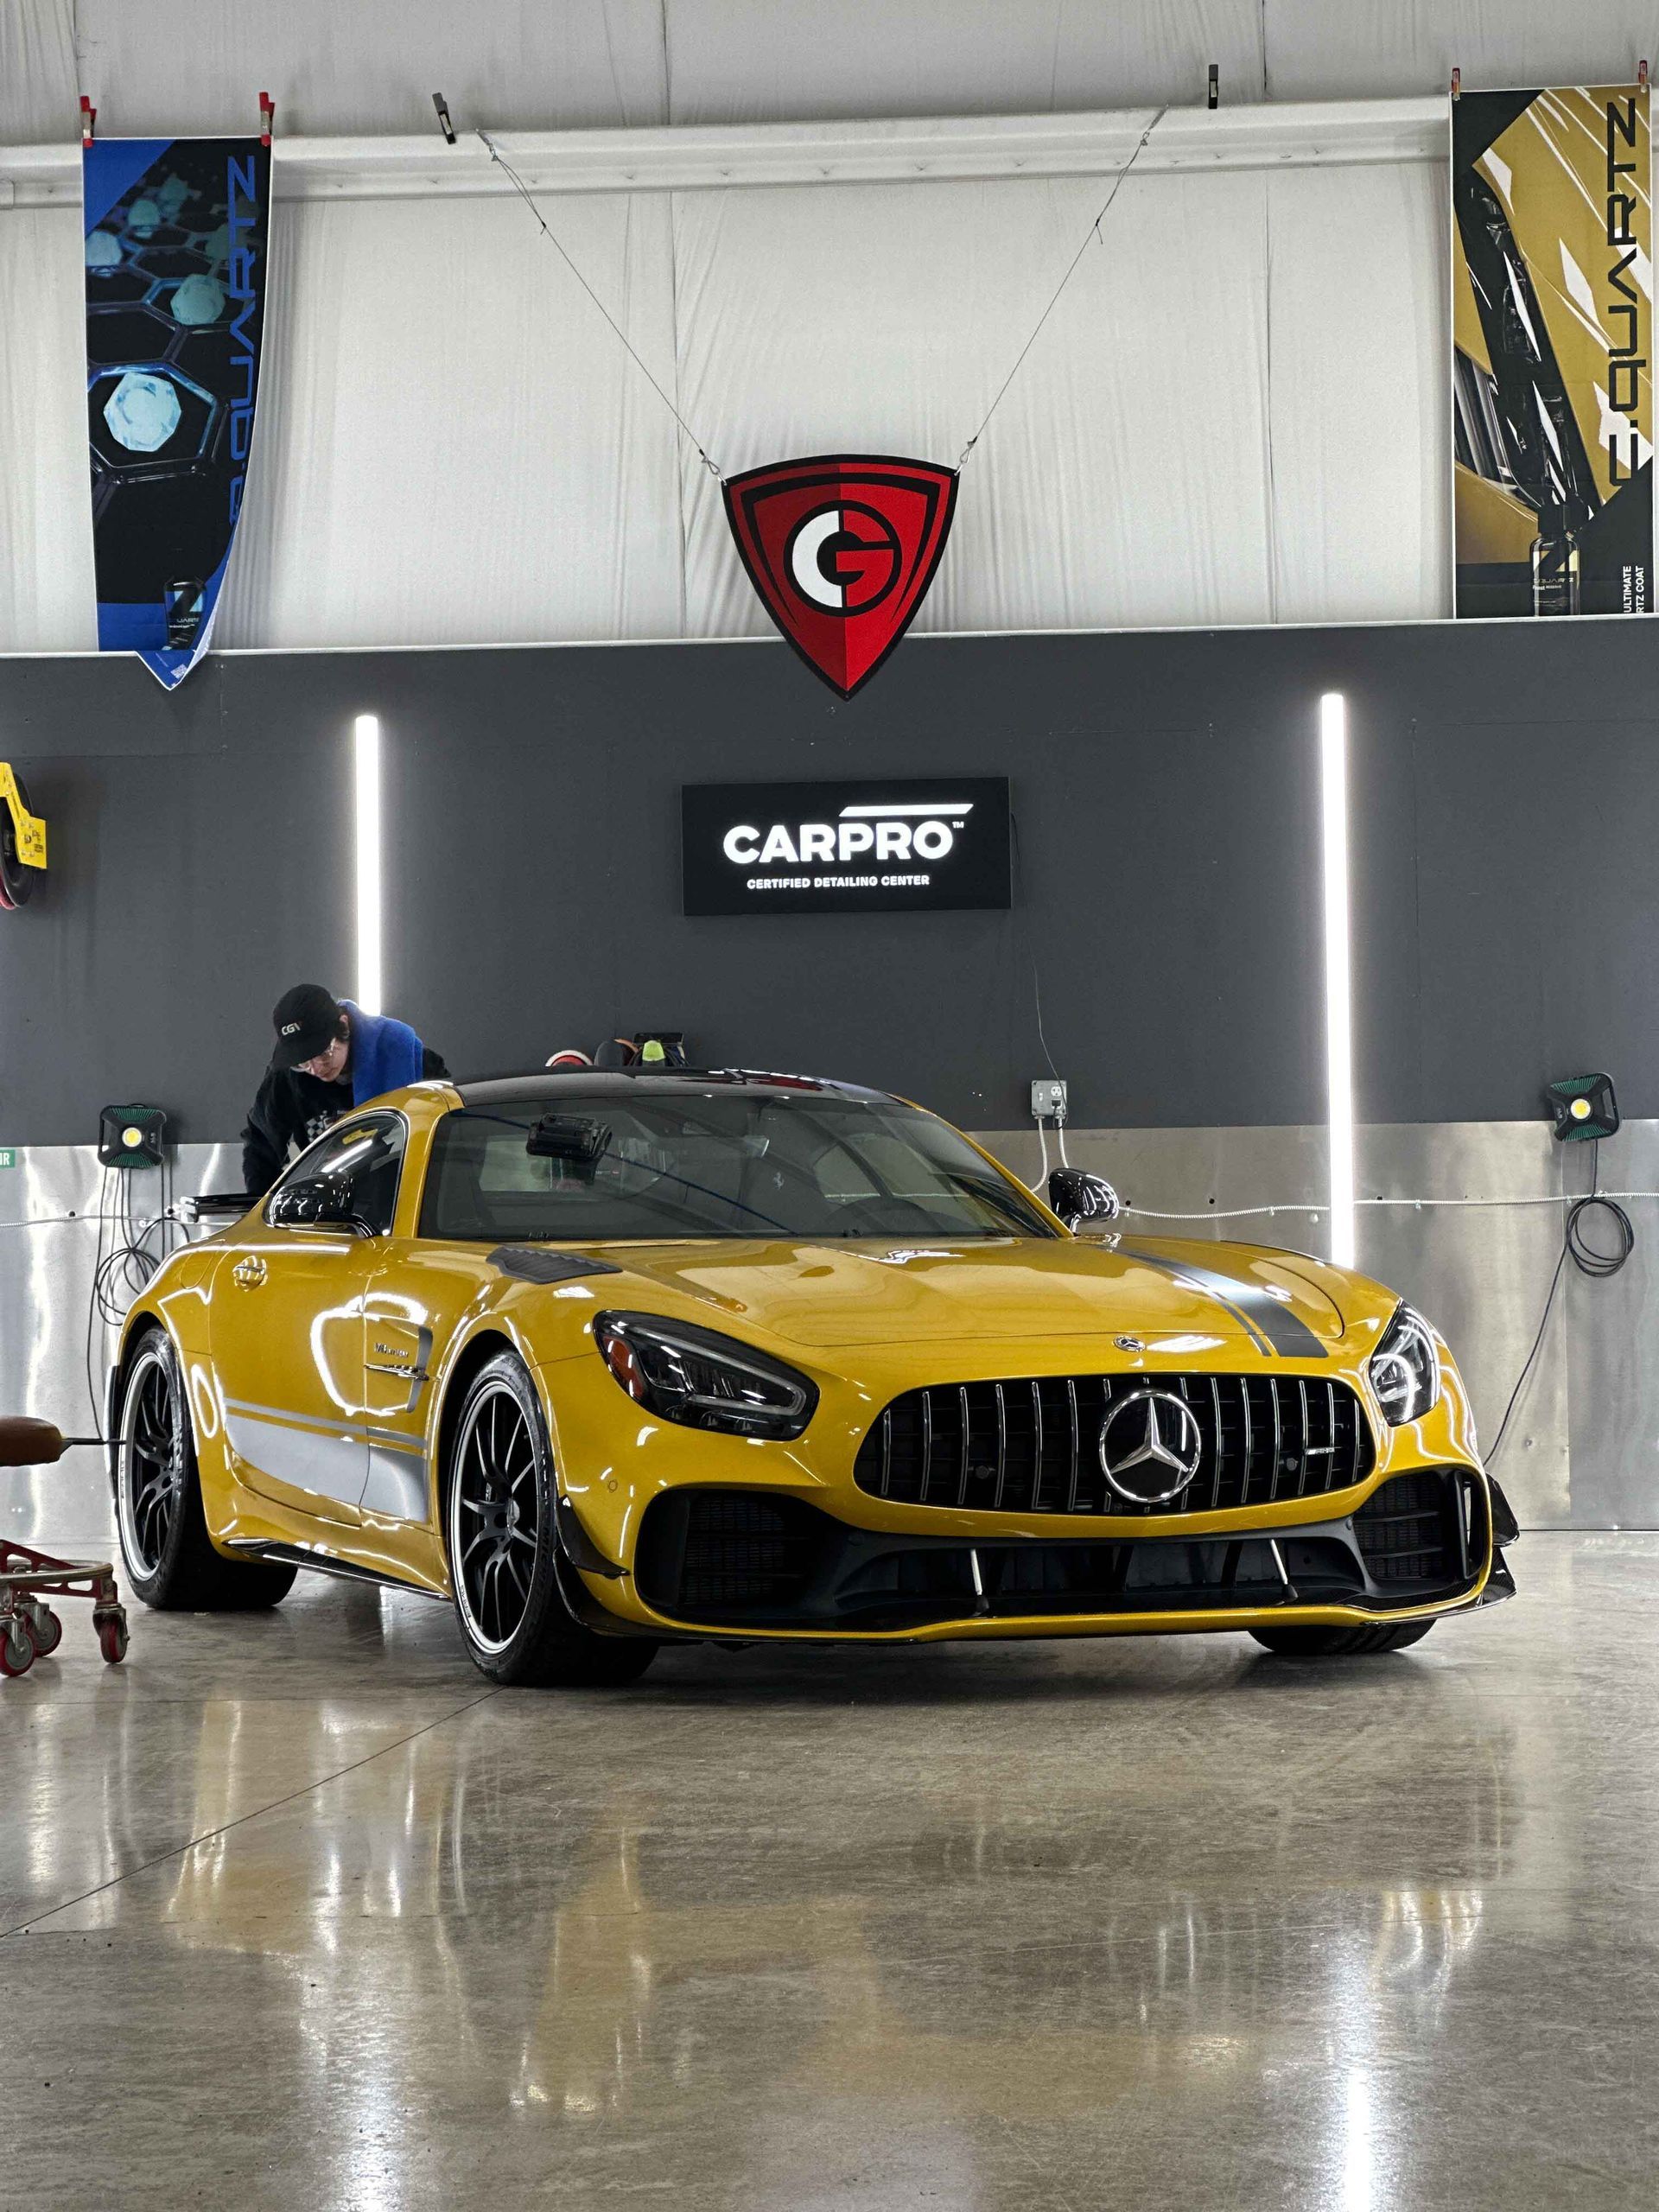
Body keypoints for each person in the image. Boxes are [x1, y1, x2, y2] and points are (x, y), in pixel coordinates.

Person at [240, 984, 449, 1195]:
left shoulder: (404, 1057)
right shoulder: (287, 1076)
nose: (315, 1068)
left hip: (406, 1194)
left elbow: (448, 1129)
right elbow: (261, 1142)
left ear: (344, 1026)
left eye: (323, 1054)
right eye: (303, 1062)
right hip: (331, 1199)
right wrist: (259, 1209)